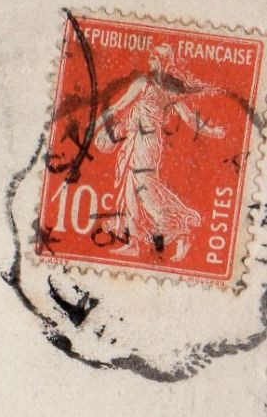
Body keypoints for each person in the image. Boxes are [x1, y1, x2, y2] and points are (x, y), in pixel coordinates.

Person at [91, 43, 228, 262]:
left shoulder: (144, 83)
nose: (150, 62)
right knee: (130, 189)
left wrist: (94, 125)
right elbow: (190, 118)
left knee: (144, 189)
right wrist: (211, 130)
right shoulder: (169, 90)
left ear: (161, 62)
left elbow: (118, 107)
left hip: (145, 141)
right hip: (146, 140)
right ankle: (134, 243)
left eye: (154, 58)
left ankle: (178, 229)